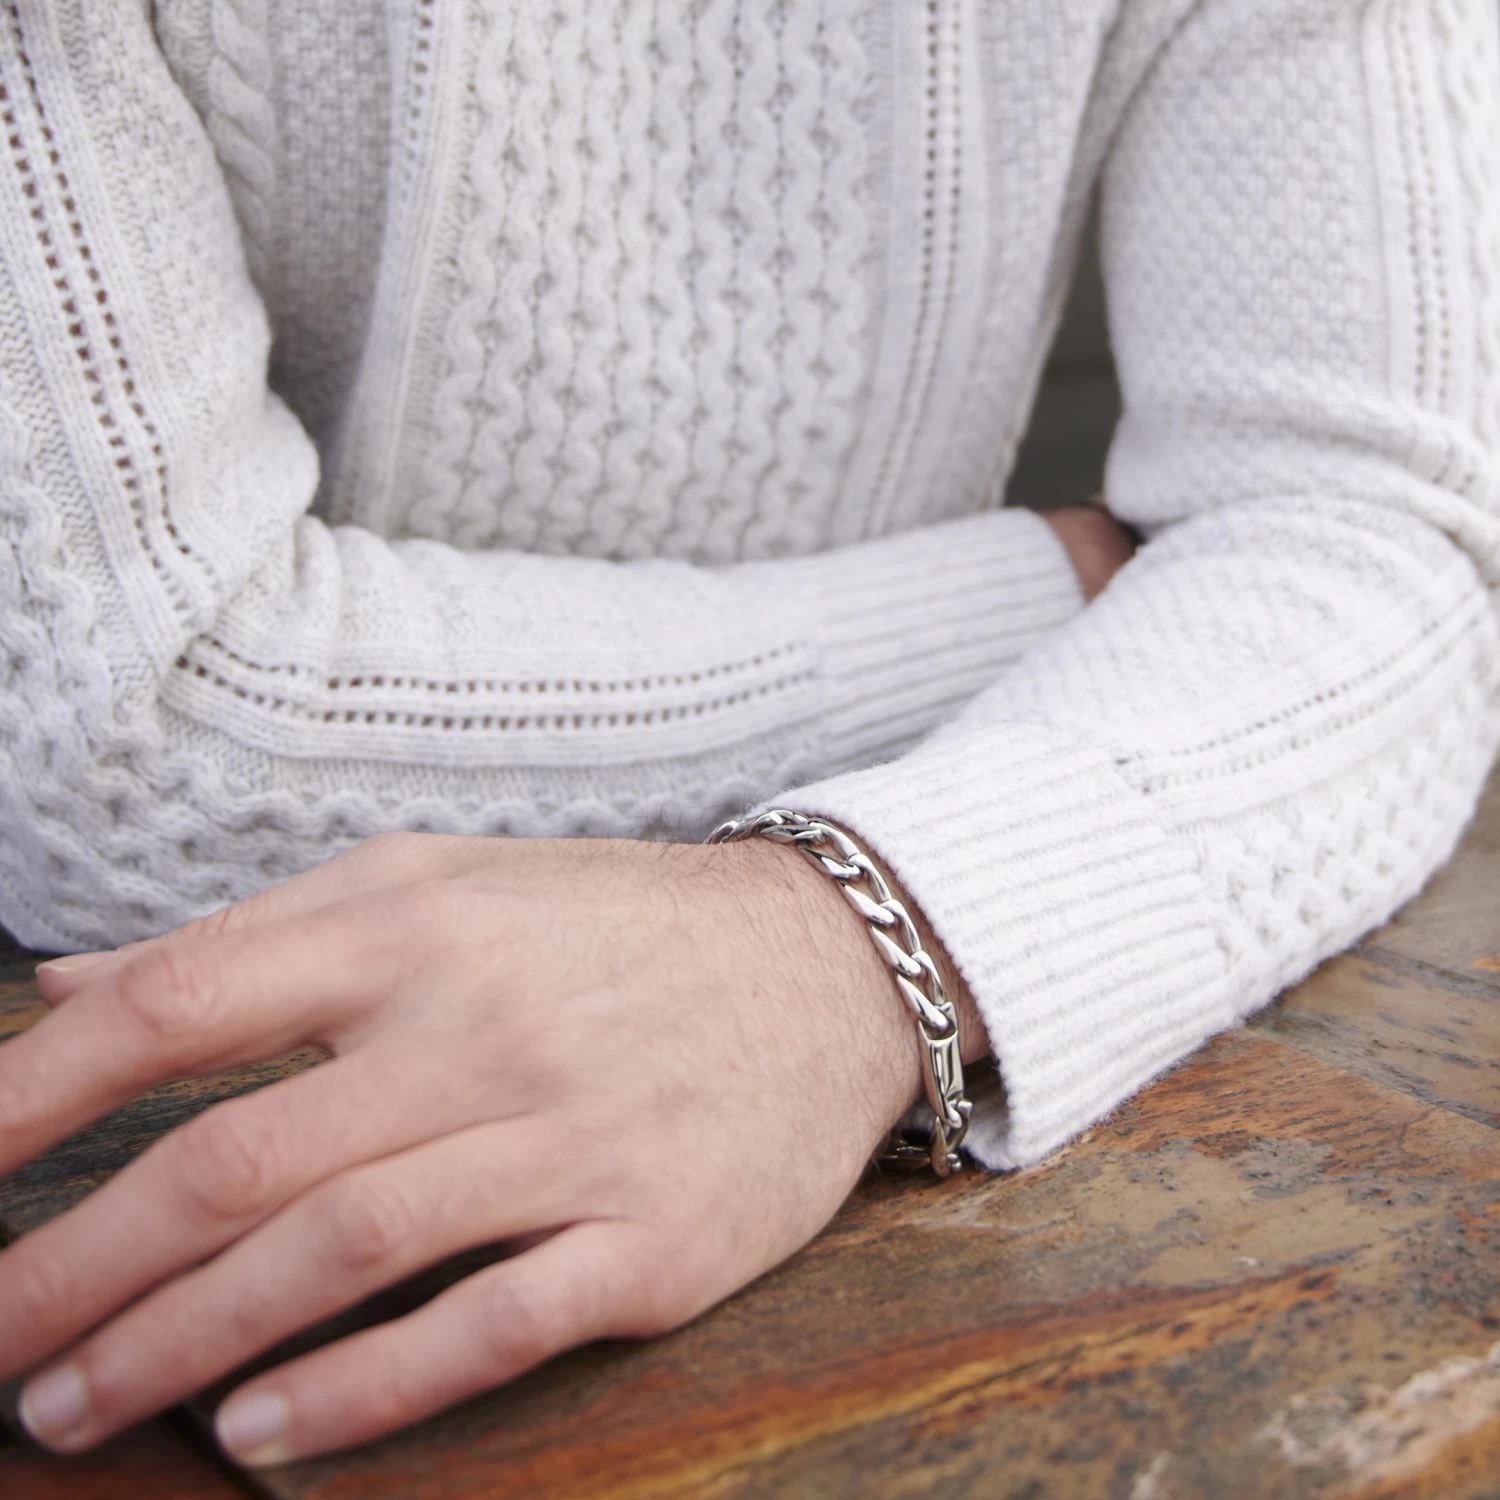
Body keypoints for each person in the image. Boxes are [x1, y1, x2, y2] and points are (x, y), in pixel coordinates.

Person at [0, 0, 1497, 1469]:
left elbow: (1391, 534)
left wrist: (856, 936)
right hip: (129, 1080)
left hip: (764, 1166)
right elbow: (119, 744)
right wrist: (1049, 592)